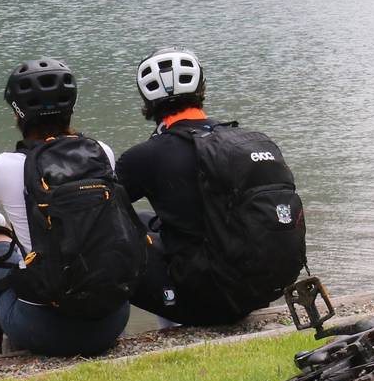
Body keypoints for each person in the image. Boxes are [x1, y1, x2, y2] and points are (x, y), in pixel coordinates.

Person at [0, 57, 132, 357]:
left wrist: (7, 223)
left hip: (40, 328)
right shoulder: (101, 151)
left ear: (17, 113)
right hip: (112, 321)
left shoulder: (2, 167)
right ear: (71, 106)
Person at [119, 48, 306, 327]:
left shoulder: (145, 156)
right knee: (148, 220)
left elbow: (100, 210)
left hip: (207, 301)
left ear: (147, 100)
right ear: (201, 89)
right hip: (258, 291)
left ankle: (110, 328)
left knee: (112, 236)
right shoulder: (245, 140)